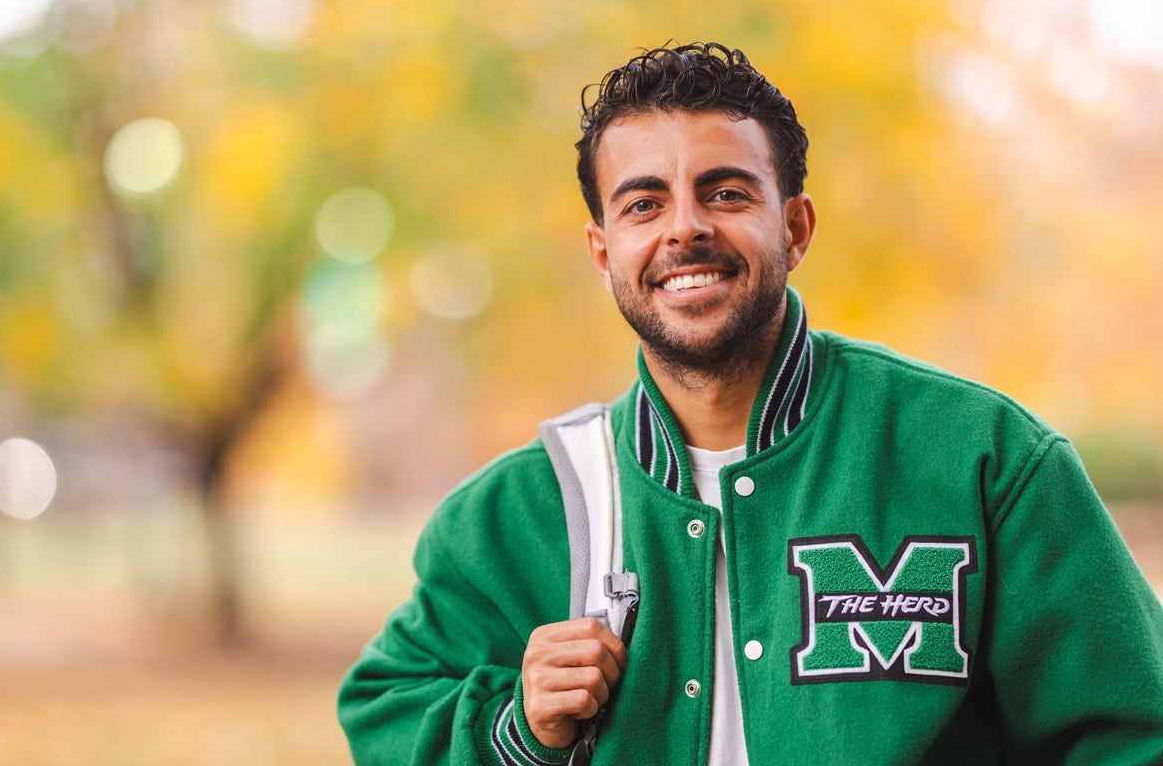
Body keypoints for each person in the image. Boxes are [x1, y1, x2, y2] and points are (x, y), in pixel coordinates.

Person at [337, 42, 1163, 765]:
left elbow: (1131, 734)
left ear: (796, 227)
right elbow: (385, 713)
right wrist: (517, 729)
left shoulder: (986, 460)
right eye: (643, 203)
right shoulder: (513, 515)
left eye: (726, 193)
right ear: (603, 251)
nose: (684, 229)